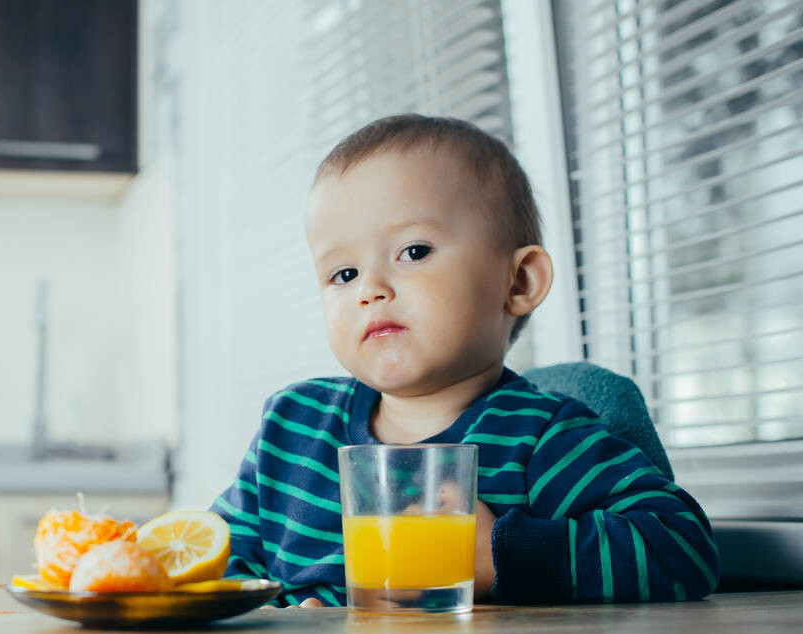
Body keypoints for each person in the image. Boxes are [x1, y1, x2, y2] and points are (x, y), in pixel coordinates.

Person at [210, 114, 720, 607]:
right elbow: (214, 564)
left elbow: (683, 550)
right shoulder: (291, 427)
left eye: (413, 252)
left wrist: (500, 556)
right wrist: (275, 620)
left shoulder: (541, 438)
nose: (370, 289)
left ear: (518, 281)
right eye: (343, 274)